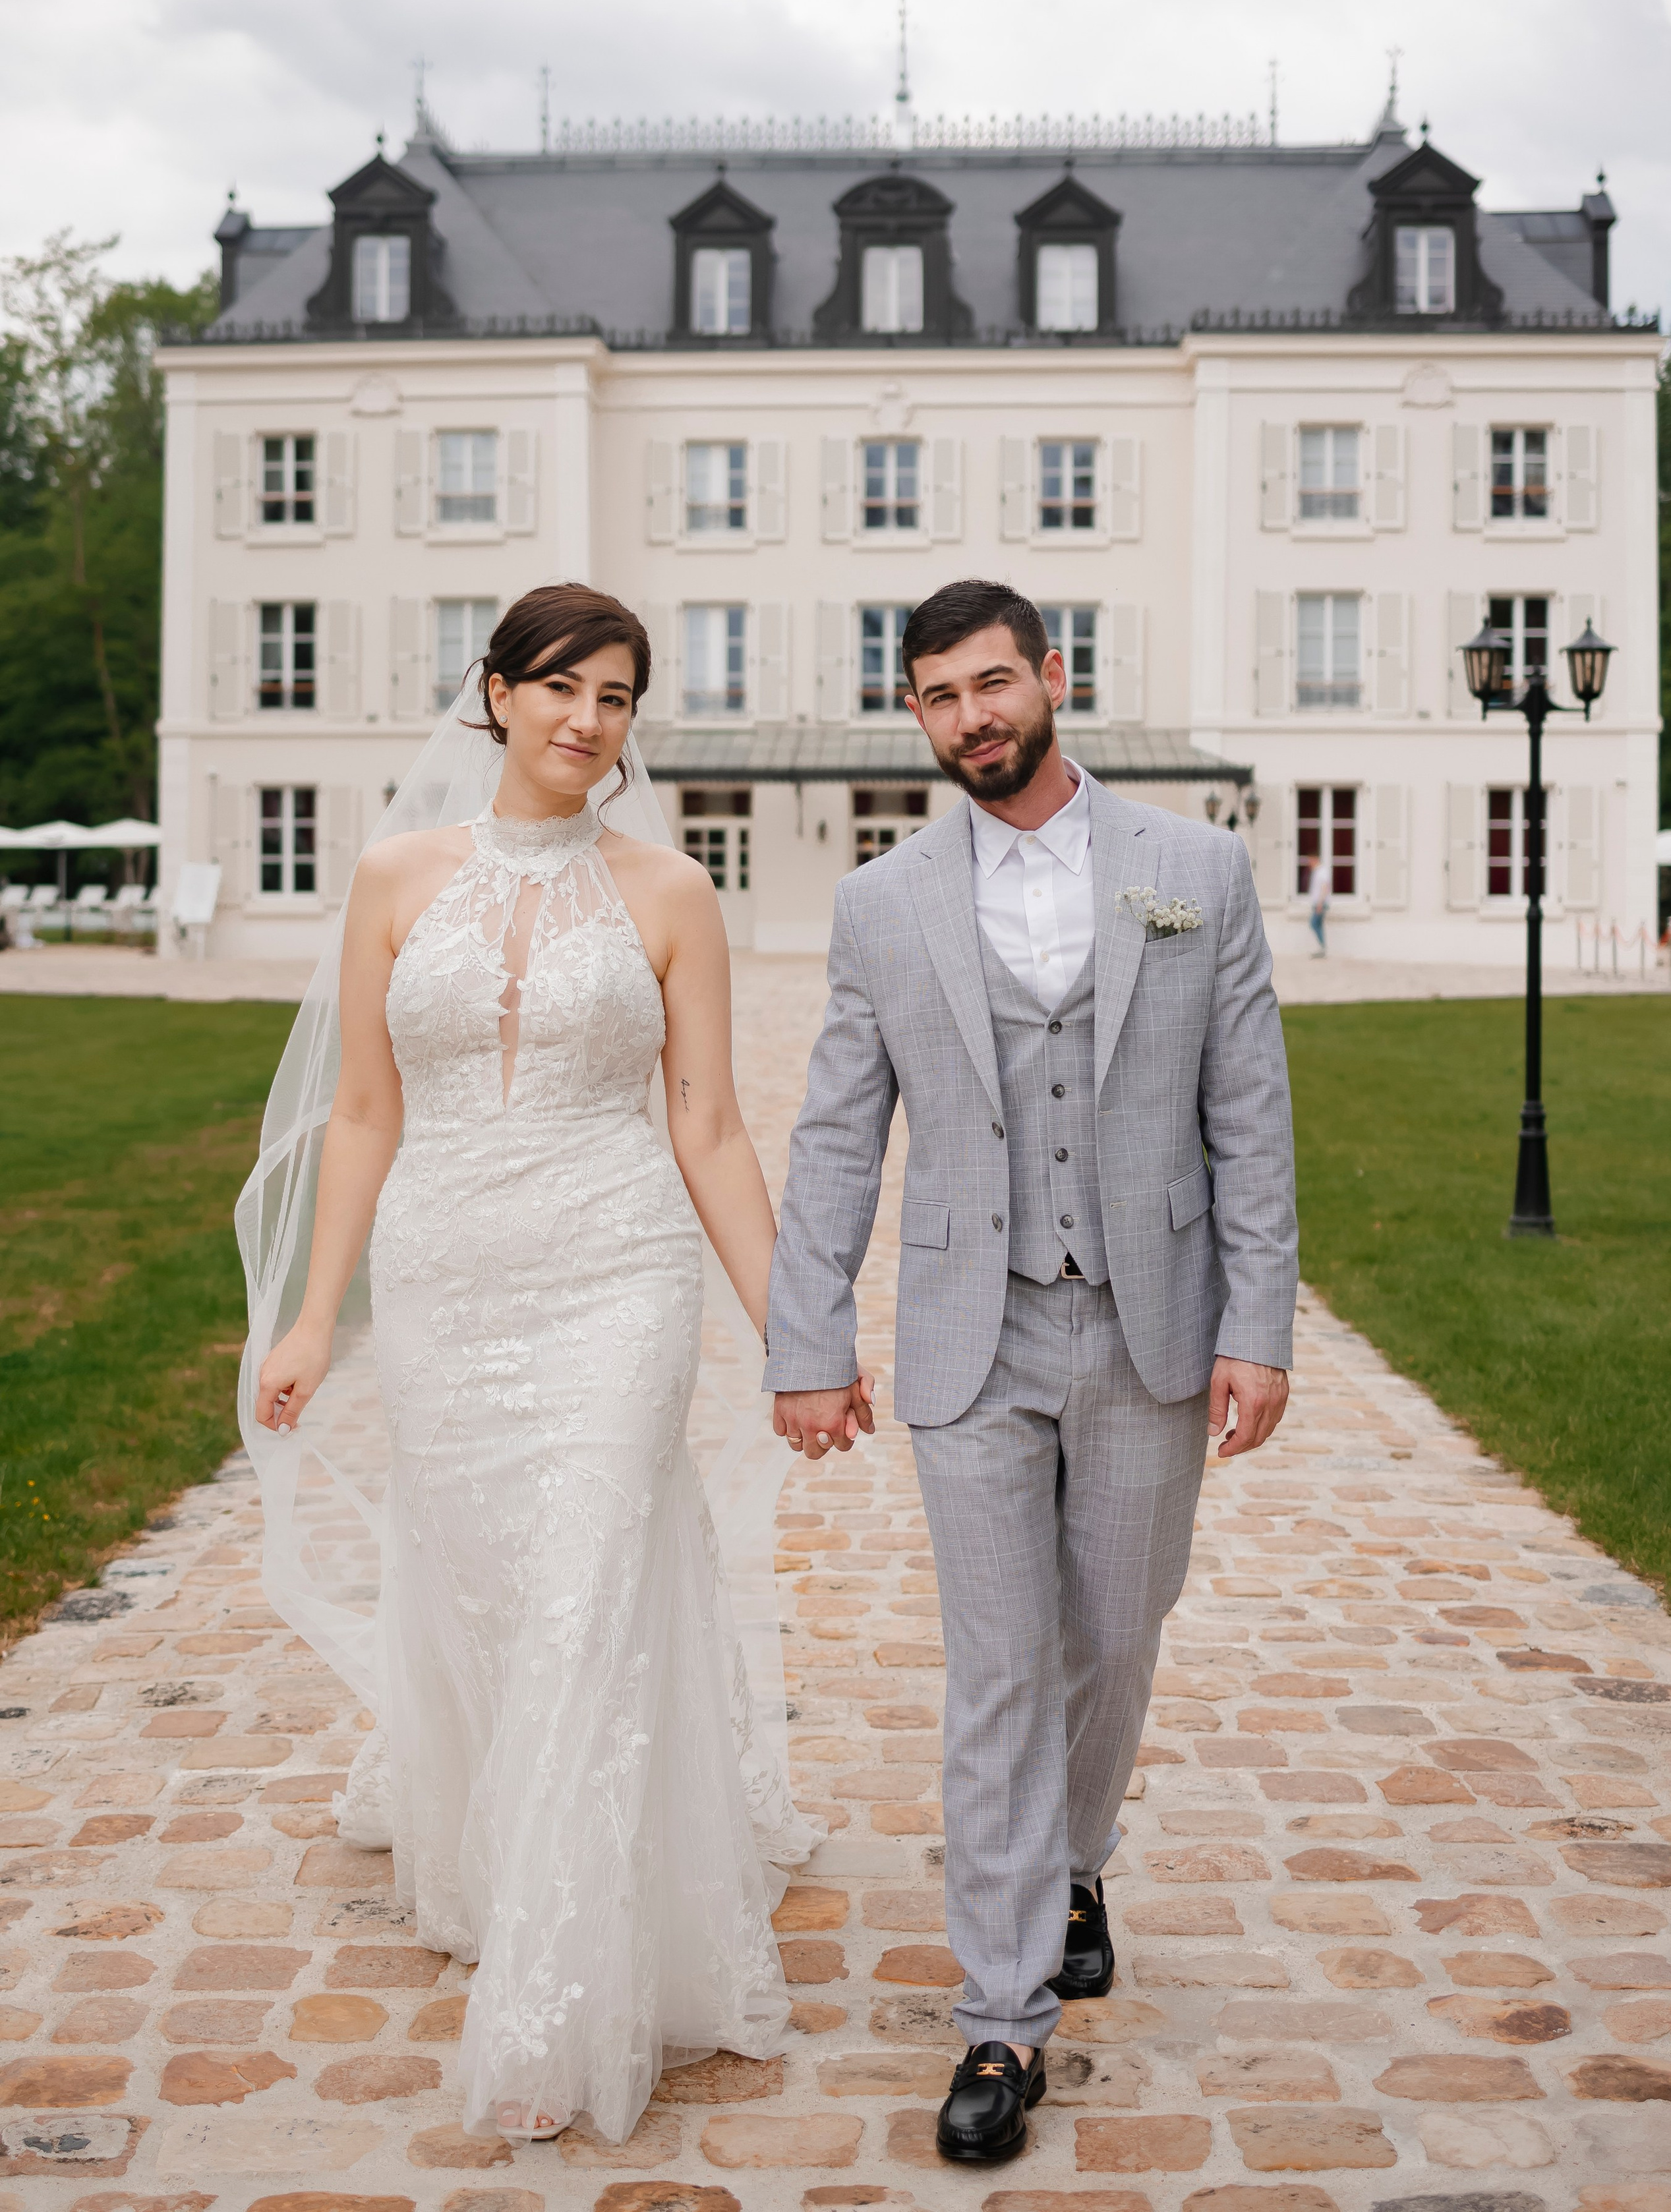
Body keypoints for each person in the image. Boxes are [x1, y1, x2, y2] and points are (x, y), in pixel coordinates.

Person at [249, 584, 819, 2145]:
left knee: (583, 1589)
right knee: (490, 1580)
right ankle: (503, 1850)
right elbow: (362, 1111)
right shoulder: (385, 878)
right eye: (562, 686)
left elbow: (702, 1122)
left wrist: (799, 1326)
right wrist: (313, 1318)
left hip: (615, 1270)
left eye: (618, 697)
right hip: (446, 1275)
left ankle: (567, 1978)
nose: (587, 719)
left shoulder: (670, 890)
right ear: (492, 693)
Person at [765, 579, 1297, 2168]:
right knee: (997, 1664)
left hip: (1149, 1322)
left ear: (1051, 679)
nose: (968, 715)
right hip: (968, 1332)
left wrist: (1256, 1320)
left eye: (990, 682)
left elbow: (1247, 1110)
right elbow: (837, 1129)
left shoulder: (1192, 870)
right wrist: (807, 1338)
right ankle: (1000, 2012)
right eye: (936, 695)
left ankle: (1076, 1859)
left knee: (1113, 1636)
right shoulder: (878, 902)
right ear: (915, 715)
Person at [1307, 854, 1333, 956]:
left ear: (1315, 859)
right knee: (1318, 925)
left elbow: (1325, 887)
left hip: (1320, 904)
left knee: (1314, 924)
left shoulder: (1322, 872)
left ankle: (1322, 948)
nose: (1309, 864)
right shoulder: (1317, 872)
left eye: (1310, 861)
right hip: (1318, 903)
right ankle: (1322, 948)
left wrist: (1320, 903)